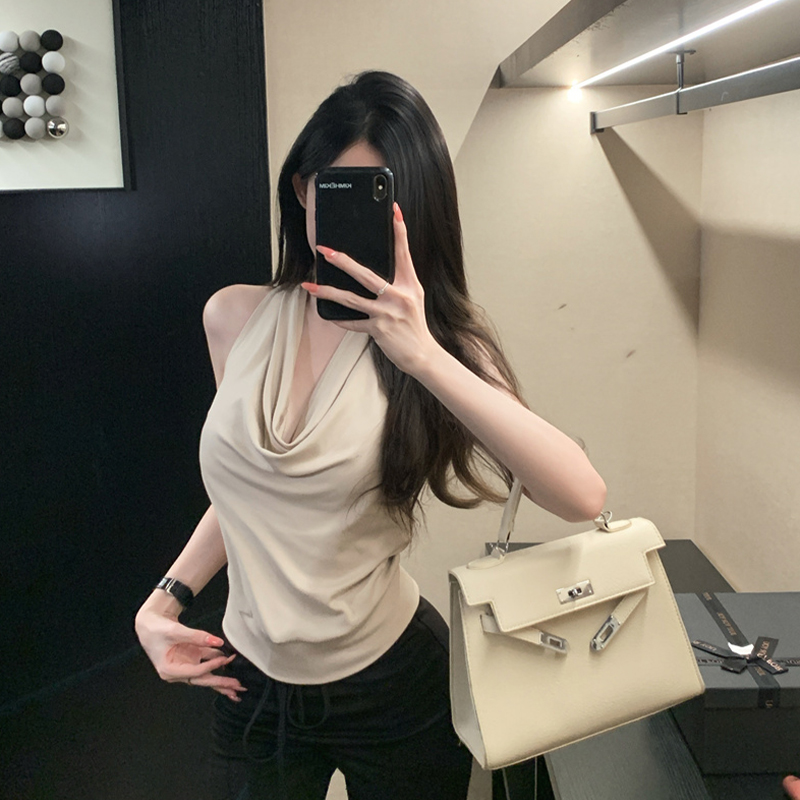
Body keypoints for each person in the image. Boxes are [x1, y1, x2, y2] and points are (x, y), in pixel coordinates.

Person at [134, 70, 606, 800]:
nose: (354, 215)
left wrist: (423, 356)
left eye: (381, 197)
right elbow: (249, 493)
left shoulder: (440, 346)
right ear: (302, 190)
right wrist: (165, 597)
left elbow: (580, 495)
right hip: (249, 680)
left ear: (418, 211)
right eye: (334, 189)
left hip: (394, 685)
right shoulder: (232, 317)